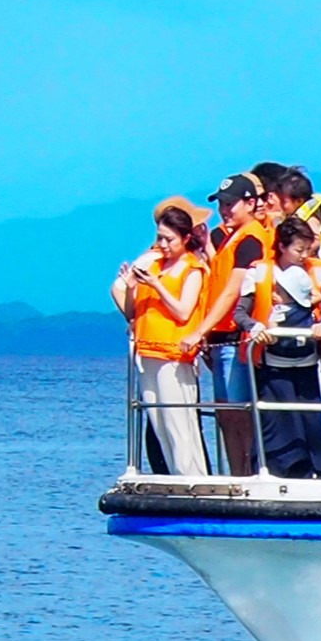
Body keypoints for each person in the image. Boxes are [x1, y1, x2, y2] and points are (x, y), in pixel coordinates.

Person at [111, 202, 209, 477]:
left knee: (179, 422)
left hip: (174, 356)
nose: (163, 245)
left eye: (170, 239)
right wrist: (132, 289)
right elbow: (132, 311)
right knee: (159, 421)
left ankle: (192, 478)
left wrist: (157, 285)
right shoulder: (155, 265)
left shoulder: (192, 269)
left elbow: (183, 310)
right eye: (160, 238)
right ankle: (172, 477)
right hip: (148, 351)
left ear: (185, 238)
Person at [181, 172, 266, 474]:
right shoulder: (226, 238)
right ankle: (237, 473)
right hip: (218, 339)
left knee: (239, 412)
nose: (225, 210)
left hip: (235, 338)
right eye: (222, 204)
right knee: (226, 415)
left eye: (232, 204)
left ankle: (248, 474)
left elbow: (233, 289)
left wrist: (198, 331)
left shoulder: (252, 238)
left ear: (250, 203)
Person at [241, 215, 321, 477]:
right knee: (275, 419)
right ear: (282, 246)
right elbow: (241, 313)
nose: (304, 255)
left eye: (307, 249)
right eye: (298, 249)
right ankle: (272, 471)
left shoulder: (316, 272)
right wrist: (255, 327)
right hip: (272, 360)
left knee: (310, 419)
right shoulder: (258, 273)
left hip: (306, 359)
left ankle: (318, 473)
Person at [274, 167, 321, 261]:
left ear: (299, 201)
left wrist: (302, 255)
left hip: (316, 262)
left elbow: (316, 241)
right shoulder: (294, 213)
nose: (281, 204)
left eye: (283, 201)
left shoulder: (311, 218)